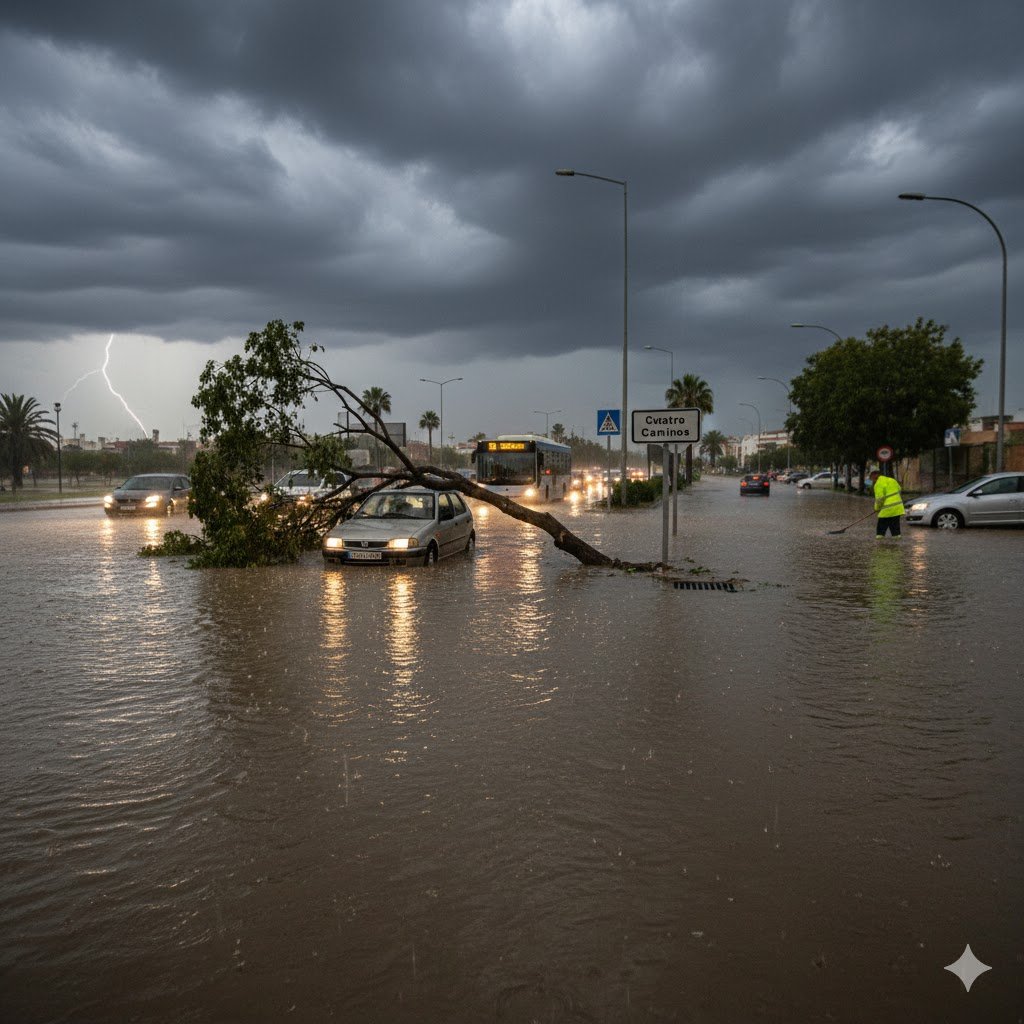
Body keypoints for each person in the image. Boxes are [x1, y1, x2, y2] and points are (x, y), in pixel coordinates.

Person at [868, 468, 905, 539]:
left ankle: (880, 545)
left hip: (887, 509)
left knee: (880, 534)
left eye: (871, 478)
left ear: (874, 476)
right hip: (897, 508)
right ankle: (896, 544)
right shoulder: (892, 480)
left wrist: (877, 508)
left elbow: (879, 499)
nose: (872, 480)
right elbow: (899, 489)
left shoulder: (878, 484)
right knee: (896, 533)